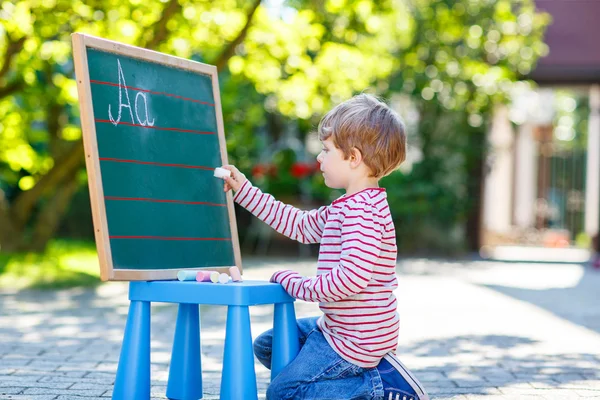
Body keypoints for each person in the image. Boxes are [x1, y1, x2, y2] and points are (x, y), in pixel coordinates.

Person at [220, 94, 429, 400]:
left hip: (357, 341)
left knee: (284, 392)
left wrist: (297, 285)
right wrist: (244, 191)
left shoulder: (362, 214)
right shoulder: (347, 206)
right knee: (269, 346)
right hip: (337, 328)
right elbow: (298, 224)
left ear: (354, 158)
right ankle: (358, 376)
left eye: (326, 149)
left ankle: (377, 387)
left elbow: (350, 279)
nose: (318, 157)